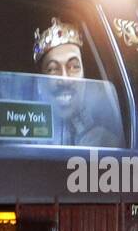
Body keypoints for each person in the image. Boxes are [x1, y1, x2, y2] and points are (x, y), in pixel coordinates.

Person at [34, 17, 123, 147]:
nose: (65, 79)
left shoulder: (105, 144)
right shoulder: (23, 141)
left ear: (85, 79)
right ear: (39, 84)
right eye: (53, 69)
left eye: (74, 67)